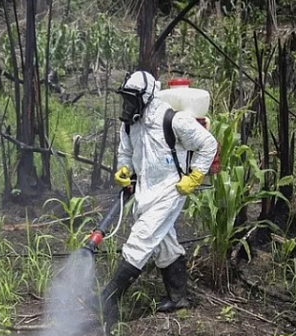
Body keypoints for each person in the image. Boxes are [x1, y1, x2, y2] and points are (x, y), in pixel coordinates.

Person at [93, 70, 218, 331]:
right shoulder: (129, 123)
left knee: (141, 239)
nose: (127, 105)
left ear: (147, 97)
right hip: (146, 190)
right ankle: (179, 297)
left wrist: (195, 176)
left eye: (132, 99)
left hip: (173, 189)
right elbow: (125, 151)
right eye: (125, 99)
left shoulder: (174, 120)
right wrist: (124, 168)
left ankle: (106, 302)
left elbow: (209, 144)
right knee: (162, 241)